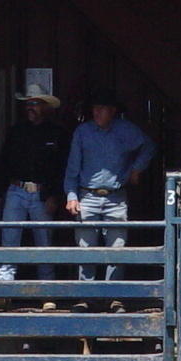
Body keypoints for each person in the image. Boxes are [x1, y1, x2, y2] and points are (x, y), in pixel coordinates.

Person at [63, 93, 155, 284]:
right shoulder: (83, 132)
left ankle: (113, 296)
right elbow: (72, 168)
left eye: (103, 108)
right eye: (95, 107)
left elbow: (148, 147)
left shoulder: (126, 130)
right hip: (87, 196)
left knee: (117, 250)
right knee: (86, 250)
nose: (97, 112)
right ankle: (86, 297)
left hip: (116, 198)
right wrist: (72, 195)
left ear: (113, 111)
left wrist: (136, 169)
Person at [0, 90, 68, 284]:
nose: (30, 108)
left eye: (34, 104)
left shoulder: (57, 133)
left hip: (42, 193)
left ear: (45, 107)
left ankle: (46, 290)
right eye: (28, 104)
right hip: (15, 191)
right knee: (9, 241)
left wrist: (54, 195)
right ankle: (4, 287)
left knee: (44, 243)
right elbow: (4, 163)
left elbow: (62, 167)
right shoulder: (16, 131)